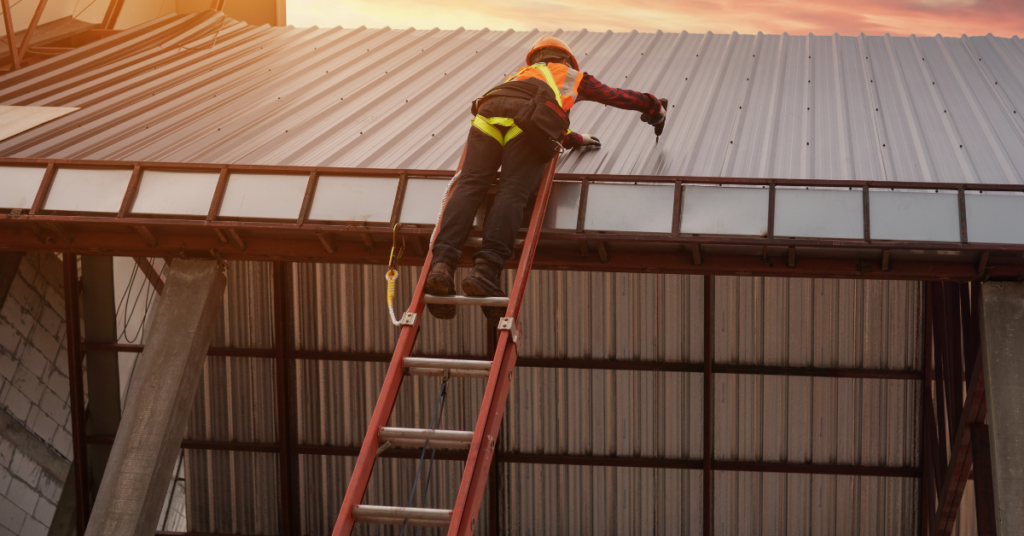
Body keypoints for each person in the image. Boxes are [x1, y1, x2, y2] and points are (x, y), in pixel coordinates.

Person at [426, 36, 667, 321]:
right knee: (512, 191)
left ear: (536, 58)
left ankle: (441, 265)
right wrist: (654, 108)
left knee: (469, 185)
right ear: (566, 59)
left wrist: (575, 138)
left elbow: (538, 114)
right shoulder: (574, 76)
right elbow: (616, 96)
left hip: (487, 114)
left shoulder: (519, 73)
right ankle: (485, 271)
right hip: (525, 124)